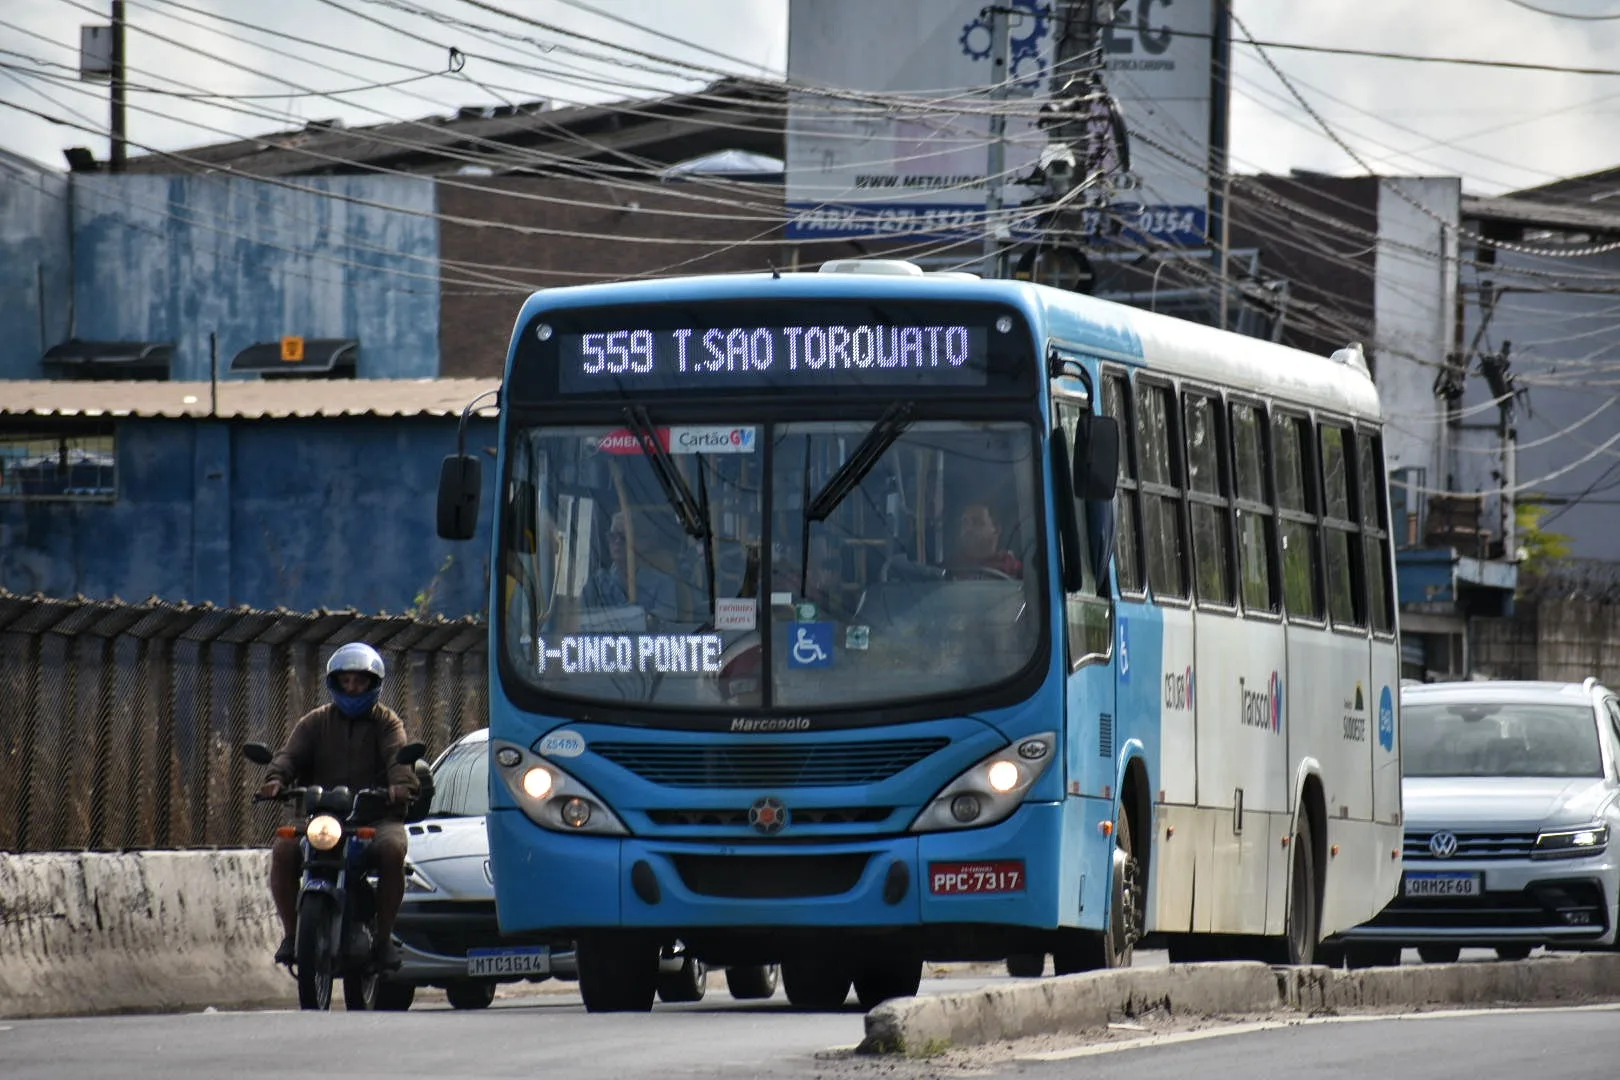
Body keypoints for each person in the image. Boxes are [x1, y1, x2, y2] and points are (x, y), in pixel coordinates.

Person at [257, 642, 418, 970]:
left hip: (375, 817)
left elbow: (397, 756)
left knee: (392, 850)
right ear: (334, 682)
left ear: (373, 684)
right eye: (345, 681)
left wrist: (399, 786)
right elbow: (290, 755)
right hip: (322, 817)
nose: (352, 687)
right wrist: (276, 779)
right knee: (285, 848)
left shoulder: (387, 723)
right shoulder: (315, 722)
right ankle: (291, 935)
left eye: (359, 681)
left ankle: (384, 939)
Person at [582, 510, 679, 624]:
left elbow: (663, 626)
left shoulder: (663, 584)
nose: (617, 542)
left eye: (624, 537)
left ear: (642, 543)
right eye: (613, 536)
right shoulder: (596, 584)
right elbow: (580, 622)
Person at [951, 501, 1024, 578]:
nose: (969, 529)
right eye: (965, 522)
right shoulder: (949, 569)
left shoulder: (1016, 570)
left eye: (977, 523)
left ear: (997, 529)